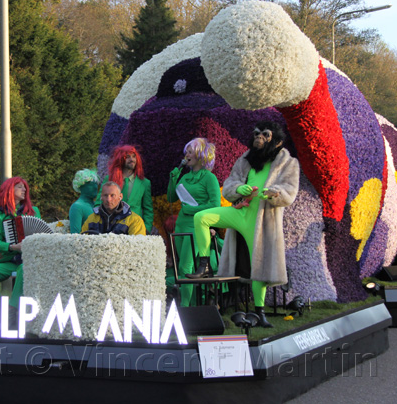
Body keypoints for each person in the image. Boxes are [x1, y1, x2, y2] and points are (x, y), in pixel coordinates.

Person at [193, 121, 300, 327]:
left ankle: (260, 312)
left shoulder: (288, 163)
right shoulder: (245, 159)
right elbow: (230, 184)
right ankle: (204, 264)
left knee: (258, 265)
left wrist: (274, 193)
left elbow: (289, 191)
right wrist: (238, 189)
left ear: (277, 141)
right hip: (240, 212)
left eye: (265, 135)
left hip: (262, 220)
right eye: (257, 134)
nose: (259, 138)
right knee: (201, 218)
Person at [166, 138, 222, 306]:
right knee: (182, 268)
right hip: (181, 226)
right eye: (186, 152)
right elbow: (171, 198)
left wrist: (192, 210)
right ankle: (190, 306)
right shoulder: (185, 177)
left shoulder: (209, 178)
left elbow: (215, 205)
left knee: (186, 267)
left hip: (197, 227)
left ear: (200, 155)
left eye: (190, 152)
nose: (186, 155)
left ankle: (185, 310)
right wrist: (173, 179)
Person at [0, 177, 41, 312]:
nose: (24, 189)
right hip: (11, 260)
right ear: (9, 190)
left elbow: (41, 236)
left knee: (23, 268)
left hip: (30, 260)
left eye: (25, 187)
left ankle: (13, 309)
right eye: (20, 186)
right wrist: (12, 247)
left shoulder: (33, 211)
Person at [98, 145, 154, 233]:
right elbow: (99, 202)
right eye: (127, 157)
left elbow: (148, 209)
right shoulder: (109, 179)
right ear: (120, 159)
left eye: (134, 156)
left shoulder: (145, 183)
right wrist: (99, 224)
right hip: (112, 228)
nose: (132, 159)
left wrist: (146, 229)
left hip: (135, 228)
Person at [82, 181, 146, 235]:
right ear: (101, 197)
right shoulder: (91, 219)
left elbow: (137, 244)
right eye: (105, 195)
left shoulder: (135, 220)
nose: (108, 199)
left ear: (120, 196)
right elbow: (81, 241)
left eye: (112, 195)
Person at [69, 169, 100, 234]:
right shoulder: (77, 207)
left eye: (96, 184)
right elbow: (75, 235)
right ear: (81, 186)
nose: (95, 187)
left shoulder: (98, 205)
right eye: (90, 184)